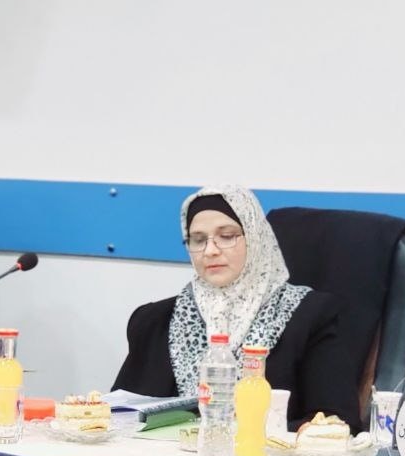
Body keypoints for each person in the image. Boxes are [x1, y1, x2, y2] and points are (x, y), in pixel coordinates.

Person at [113, 185, 362, 432]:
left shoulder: (311, 316)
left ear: (255, 237)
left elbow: (337, 422)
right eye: (198, 240)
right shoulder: (154, 321)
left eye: (227, 236)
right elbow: (119, 417)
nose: (210, 251)